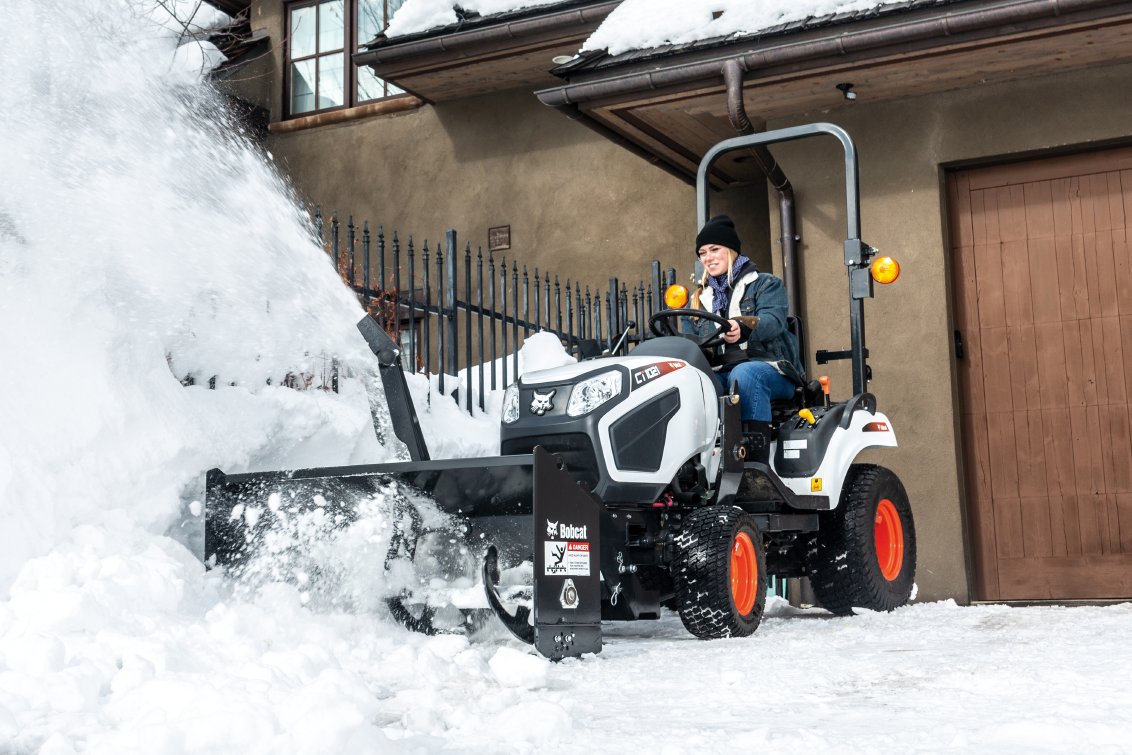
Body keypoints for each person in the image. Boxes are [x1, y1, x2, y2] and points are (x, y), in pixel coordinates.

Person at [685, 214, 804, 462]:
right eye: (702, 252)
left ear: (731, 250)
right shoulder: (698, 300)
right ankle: (692, 465)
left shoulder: (765, 284)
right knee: (688, 382)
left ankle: (753, 465)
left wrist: (744, 327)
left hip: (770, 368)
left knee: (745, 375)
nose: (708, 257)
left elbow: (774, 321)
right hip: (722, 370)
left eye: (714, 249)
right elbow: (693, 341)